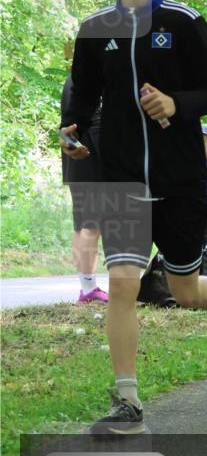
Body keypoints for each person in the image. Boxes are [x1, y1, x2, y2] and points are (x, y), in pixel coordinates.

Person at [59, 0, 207, 435]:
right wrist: (70, 133)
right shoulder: (95, 28)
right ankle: (128, 403)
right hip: (120, 179)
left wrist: (174, 103)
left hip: (180, 181)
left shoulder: (182, 22)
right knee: (122, 284)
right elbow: (81, 100)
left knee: (184, 290)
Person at [60, 76, 108, 304]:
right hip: (89, 160)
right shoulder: (88, 81)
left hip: (79, 162)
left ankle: (87, 287)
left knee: (86, 225)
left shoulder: (74, 80)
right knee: (90, 226)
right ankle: (88, 289)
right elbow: (92, 125)